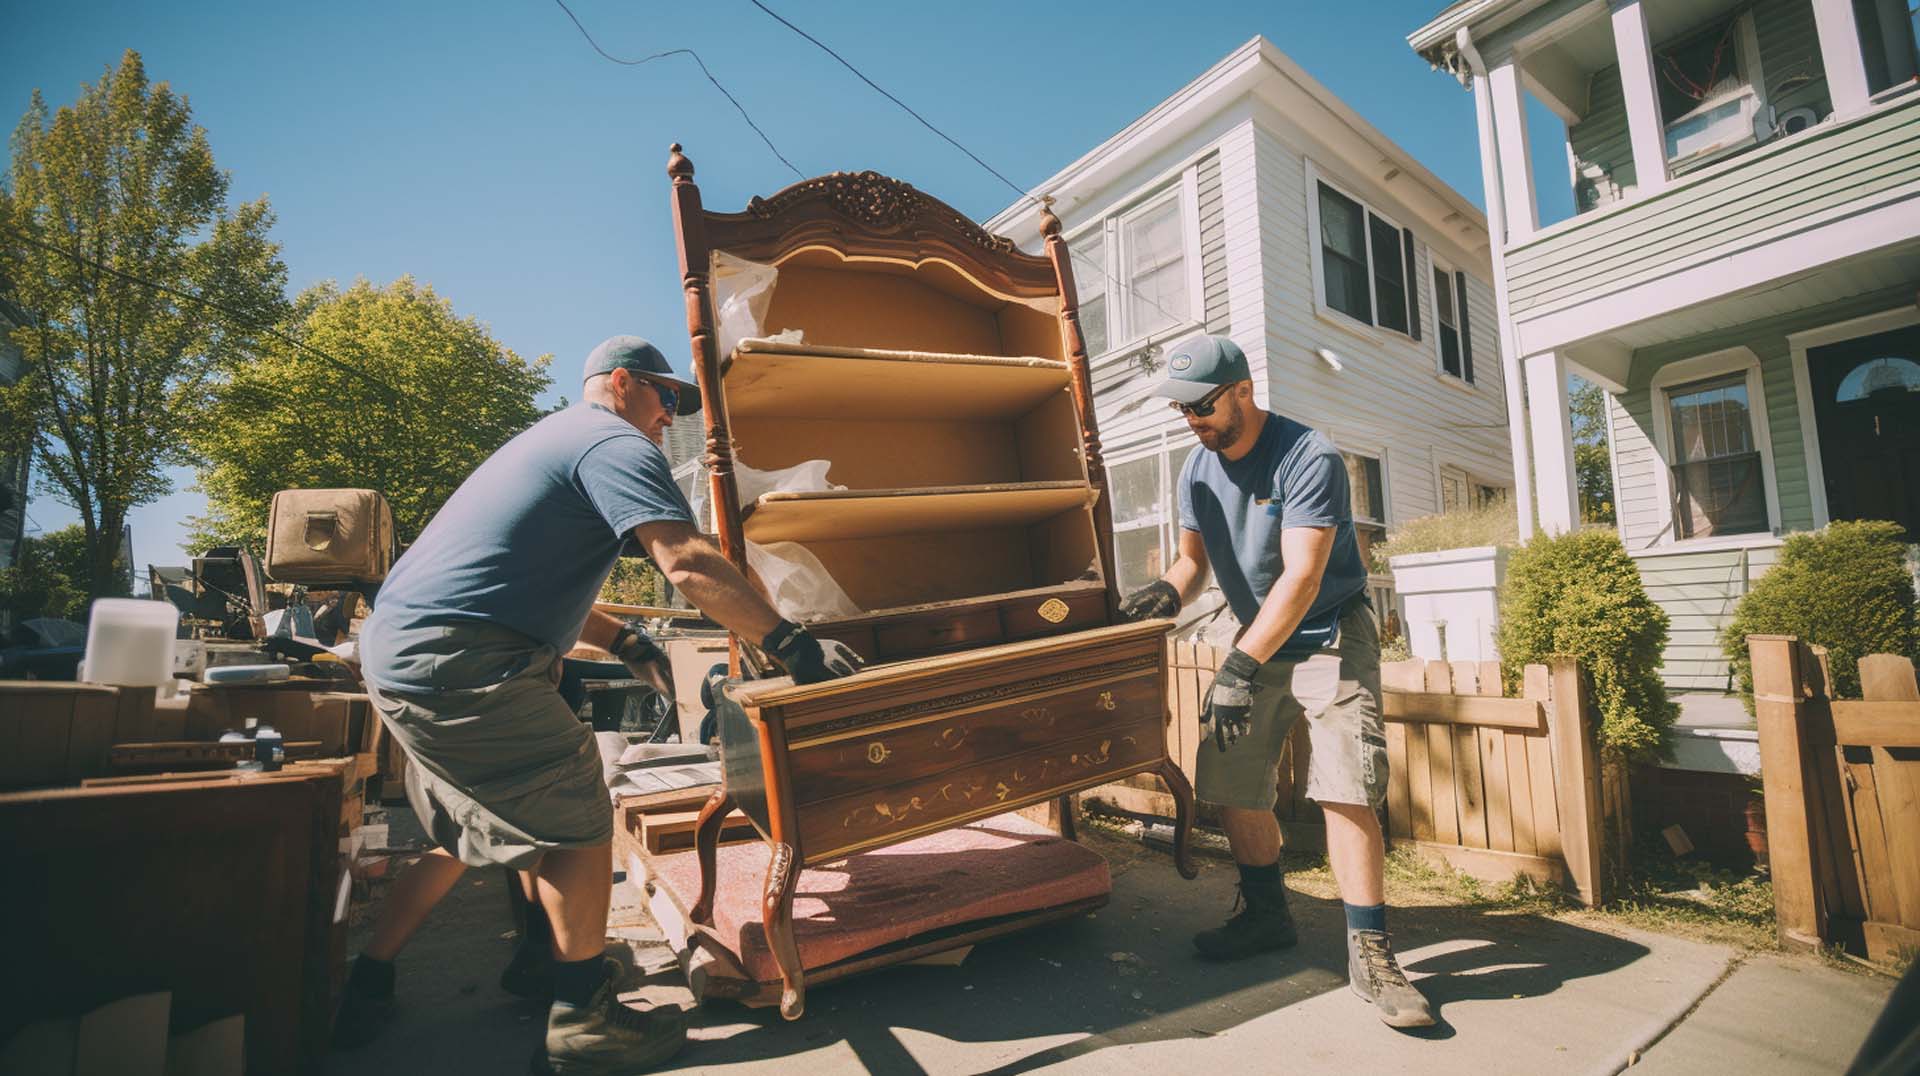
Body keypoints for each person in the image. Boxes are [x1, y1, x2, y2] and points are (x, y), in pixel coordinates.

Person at [336, 335, 863, 1073]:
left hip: (404, 652)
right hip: (458, 661)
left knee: (472, 829)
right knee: (582, 811)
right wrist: (793, 644)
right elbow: (683, 560)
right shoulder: (612, 443)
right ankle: (581, 1019)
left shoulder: (554, 441)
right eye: (665, 396)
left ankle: (374, 981)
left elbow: (513, 577)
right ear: (622, 383)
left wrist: (627, 644)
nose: (670, 414)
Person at [1117, 333, 1434, 1029]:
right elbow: (1190, 562)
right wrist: (1163, 594)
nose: (1191, 420)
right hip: (1258, 635)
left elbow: (1304, 577)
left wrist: (1237, 664)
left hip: (1325, 632)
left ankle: (1371, 953)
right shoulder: (1195, 471)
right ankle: (1266, 916)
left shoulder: (1307, 456)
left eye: (1201, 405)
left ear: (1241, 391)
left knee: (1346, 783)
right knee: (1228, 776)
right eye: (1181, 410)